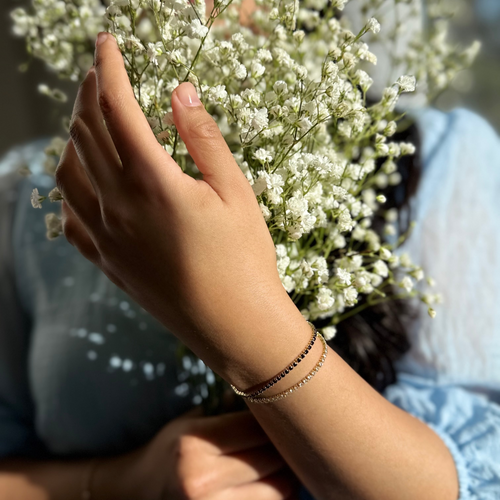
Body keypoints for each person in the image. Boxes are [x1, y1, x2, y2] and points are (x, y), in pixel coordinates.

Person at [0, 32, 498, 500]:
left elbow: (475, 474)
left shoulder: (433, 155)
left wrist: (244, 322)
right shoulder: (35, 190)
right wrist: (121, 482)